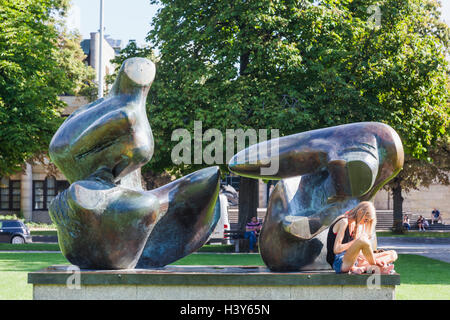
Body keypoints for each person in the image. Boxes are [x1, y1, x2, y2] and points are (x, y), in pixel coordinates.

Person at [326, 201, 398, 274]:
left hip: (354, 261)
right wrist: (356, 242)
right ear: (360, 212)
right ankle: (375, 266)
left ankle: (365, 268)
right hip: (339, 262)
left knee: (393, 254)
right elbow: (336, 249)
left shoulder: (356, 225)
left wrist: (368, 257)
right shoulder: (344, 222)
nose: (365, 223)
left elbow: (358, 253)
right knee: (362, 240)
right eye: (366, 220)